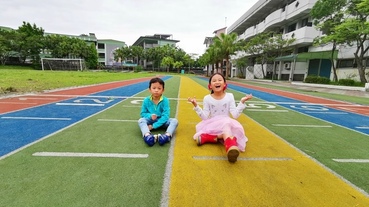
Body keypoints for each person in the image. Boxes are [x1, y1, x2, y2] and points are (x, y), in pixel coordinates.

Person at [187, 73, 253, 163]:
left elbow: (235, 115)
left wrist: (242, 102)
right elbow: (205, 117)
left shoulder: (230, 96)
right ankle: (230, 144)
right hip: (213, 123)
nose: (217, 82)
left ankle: (221, 143)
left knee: (226, 125)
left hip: (227, 121)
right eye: (214, 81)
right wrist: (196, 105)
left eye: (220, 80)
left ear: (225, 84)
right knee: (226, 129)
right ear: (210, 86)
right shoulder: (207, 98)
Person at [138, 77, 178, 146]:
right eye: (154, 88)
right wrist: (150, 116)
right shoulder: (146, 100)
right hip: (151, 120)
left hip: (162, 121)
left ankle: (166, 136)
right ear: (149, 89)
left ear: (163, 90)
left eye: (159, 88)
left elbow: (165, 116)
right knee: (141, 120)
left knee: (174, 121)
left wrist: (153, 126)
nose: (156, 90)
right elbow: (143, 113)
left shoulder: (165, 100)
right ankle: (147, 136)